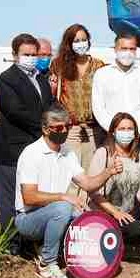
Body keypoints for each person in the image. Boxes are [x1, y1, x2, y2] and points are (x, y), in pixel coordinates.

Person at [15, 106, 124, 278]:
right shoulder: (31, 154)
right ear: (45, 129)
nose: (64, 130)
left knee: (85, 217)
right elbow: (29, 197)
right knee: (63, 207)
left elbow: (87, 184)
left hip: (56, 212)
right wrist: (63, 197)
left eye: (68, 126)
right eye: (58, 128)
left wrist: (108, 172)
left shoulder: (67, 152)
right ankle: (47, 263)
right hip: (28, 218)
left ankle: (79, 259)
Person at [0, 33, 54, 255]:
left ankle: (29, 242)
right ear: (15, 55)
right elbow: (14, 112)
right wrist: (45, 126)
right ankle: (12, 245)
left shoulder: (41, 79)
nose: (31, 58)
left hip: (35, 149)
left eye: (34, 54)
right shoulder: (7, 79)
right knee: (9, 200)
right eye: (26, 54)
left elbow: (50, 106)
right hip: (11, 150)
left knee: (31, 198)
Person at [87, 112, 140, 270]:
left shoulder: (139, 156)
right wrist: (115, 212)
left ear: (135, 133)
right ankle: (119, 246)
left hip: (129, 210)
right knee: (137, 229)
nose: (126, 133)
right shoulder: (103, 153)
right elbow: (93, 192)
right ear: (113, 132)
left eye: (130, 129)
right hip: (107, 212)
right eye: (122, 129)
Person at [91, 33, 140, 157]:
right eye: (124, 48)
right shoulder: (102, 74)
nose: (128, 52)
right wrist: (114, 130)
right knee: (112, 168)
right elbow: (98, 108)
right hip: (111, 136)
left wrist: (137, 132)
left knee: (139, 168)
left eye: (132, 49)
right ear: (115, 49)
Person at [50, 24, 106, 171]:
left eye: (83, 39)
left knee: (92, 174)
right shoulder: (58, 65)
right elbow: (53, 94)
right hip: (70, 131)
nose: (81, 44)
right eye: (76, 41)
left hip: (94, 131)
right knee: (70, 175)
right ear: (69, 43)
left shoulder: (99, 65)